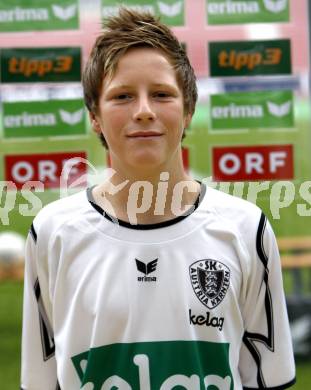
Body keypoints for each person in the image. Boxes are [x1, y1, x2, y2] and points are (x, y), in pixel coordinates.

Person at [21, 8, 296, 390]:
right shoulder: (53, 231)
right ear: (95, 117)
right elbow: (41, 380)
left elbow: (268, 379)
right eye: (122, 96)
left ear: (188, 110)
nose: (145, 111)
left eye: (162, 94)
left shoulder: (246, 228)